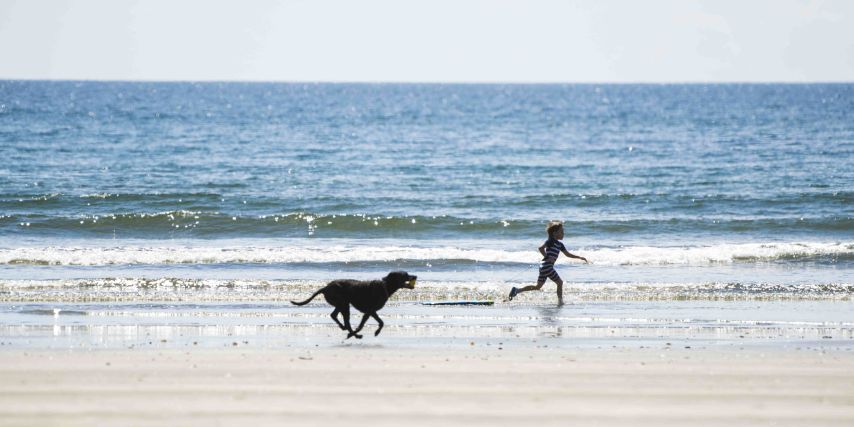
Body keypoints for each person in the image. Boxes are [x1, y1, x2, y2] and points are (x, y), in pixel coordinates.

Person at [508, 220, 588, 305]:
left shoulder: (560, 245)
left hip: (544, 267)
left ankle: (517, 290)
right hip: (547, 266)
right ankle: (560, 301)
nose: (563, 233)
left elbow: (567, 254)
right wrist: (547, 256)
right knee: (560, 282)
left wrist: (579, 257)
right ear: (554, 233)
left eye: (563, 231)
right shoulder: (550, 241)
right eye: (561, 231)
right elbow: (541, 248)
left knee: (538, 287)